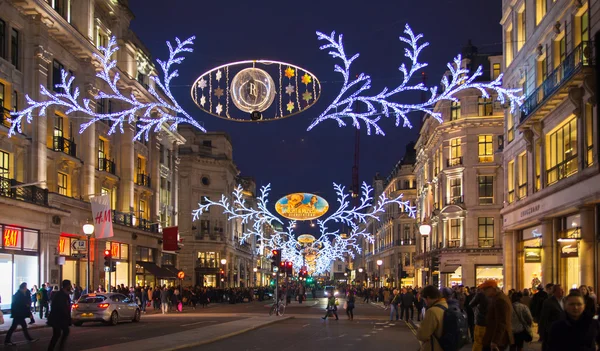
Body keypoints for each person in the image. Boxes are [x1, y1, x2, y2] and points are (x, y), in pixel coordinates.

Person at [480, 280, 514, 351]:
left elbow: (502, 322)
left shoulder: (500, 300)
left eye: (485, 289)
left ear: (492, 288)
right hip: (496, 337)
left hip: (497, 338)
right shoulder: (498, 298)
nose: (484, 291)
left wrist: (495, 341)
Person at [415, 285, 446, 351]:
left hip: (434, 347)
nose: (425, 302)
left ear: (428, 298)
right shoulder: (446, 305)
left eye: (424, 299)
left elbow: (422, 335)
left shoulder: (432, 311)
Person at [48, 279, 72, 351]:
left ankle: (56, 348)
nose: (70, 287)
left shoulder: (64, 294)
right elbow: (62, 307)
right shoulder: (60, 295)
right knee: (58, 334)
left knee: (59, 333)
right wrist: (67, 317)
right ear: (67, 286)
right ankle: (57, 348)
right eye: (69, 285)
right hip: (57, 318)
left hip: (60, 318)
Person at [539, 284, 565, 351]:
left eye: (563, 289)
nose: (563, 291)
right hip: (552, 331)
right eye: (560, 290)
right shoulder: (548, 302)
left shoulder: (565, 300)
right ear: (554, 291)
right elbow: (543, 318)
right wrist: (542, 333)